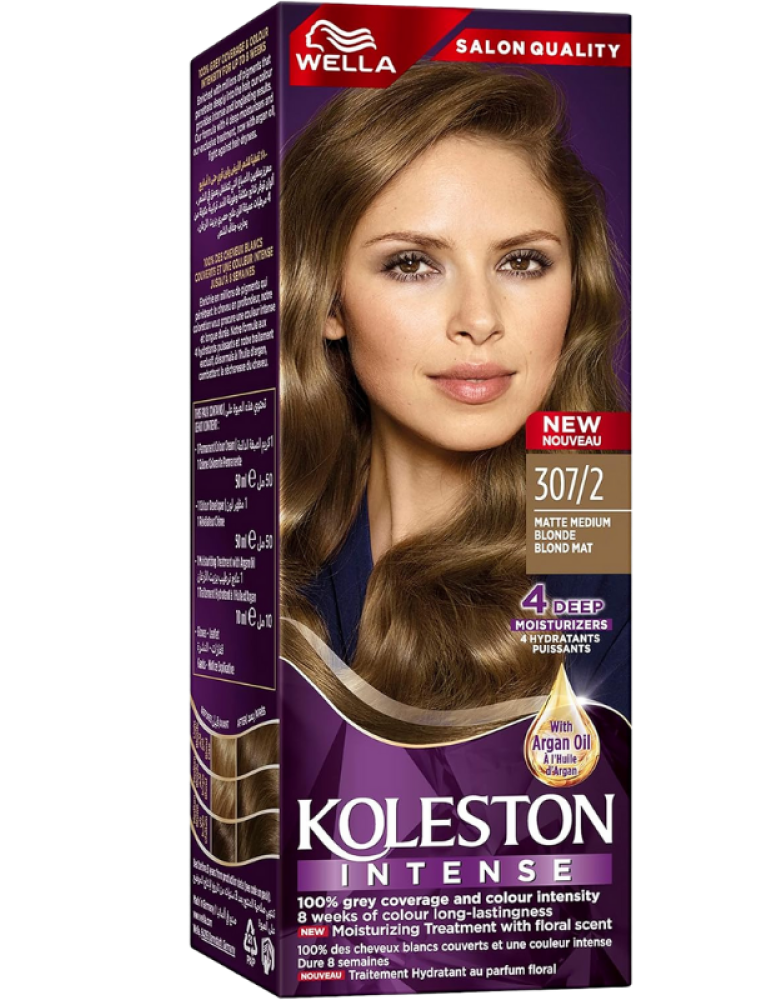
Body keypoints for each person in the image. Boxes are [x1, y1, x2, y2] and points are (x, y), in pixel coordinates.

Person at [280, 63, 629, 743]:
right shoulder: (264, 547)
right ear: (328, 300)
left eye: (522, 262)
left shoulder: (611, 555)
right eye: (412, 263)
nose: (479, 319)